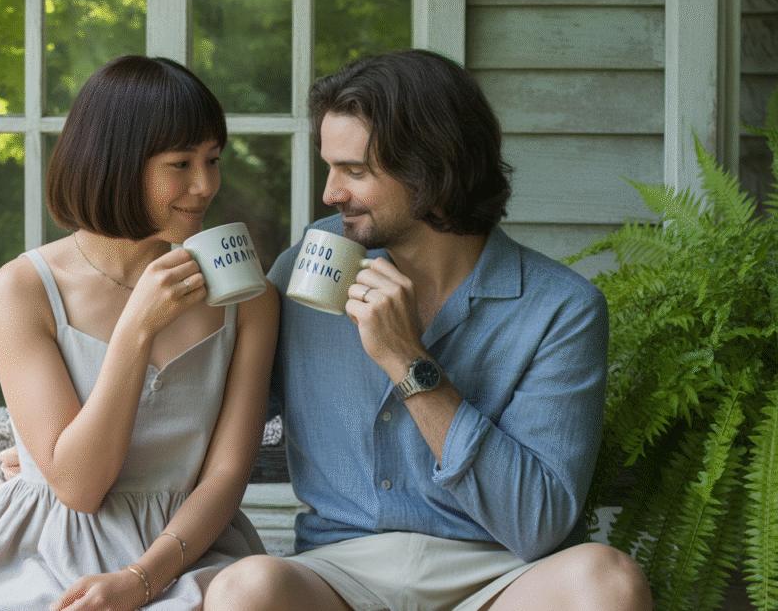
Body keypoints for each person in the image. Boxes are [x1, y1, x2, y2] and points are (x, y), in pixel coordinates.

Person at [203, 50, 653, 611]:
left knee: (608, 582)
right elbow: (212, 423)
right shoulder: (309, 268)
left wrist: (407, 362)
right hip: (338, 572)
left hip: (499, 575)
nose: (330, 193)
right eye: (330, 166)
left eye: (355, 171)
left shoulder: (561, 308)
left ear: (431, 169)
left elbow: (538, 525)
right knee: (245, 591)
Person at [0, 55, 279, 611]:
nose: (205, 185)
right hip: (48, 558)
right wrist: (136, 330)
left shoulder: (248, 299)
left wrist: (141, 579)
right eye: (180, 164)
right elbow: (78, 486)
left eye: (213, 160)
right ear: (116, 162)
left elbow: (225, 477)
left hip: (189, 554)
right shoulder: (21, 289)